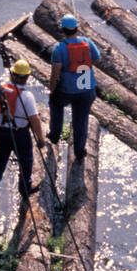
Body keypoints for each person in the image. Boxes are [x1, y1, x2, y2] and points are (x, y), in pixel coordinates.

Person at [0, 59, 47, 216]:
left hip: (0, 132)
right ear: (27, 77)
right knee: (25, 162)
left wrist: (3, 114)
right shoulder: (27, 96)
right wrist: (41, 139)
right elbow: (34, 119)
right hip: (19, 134)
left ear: (12, 75)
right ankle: (25, 190)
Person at [47, 14, 101, 162]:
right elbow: (97, 59)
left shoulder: (60, 47)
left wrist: (52, 89)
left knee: (56, 104)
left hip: (67, 90)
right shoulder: (87, 42)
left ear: (63, 30)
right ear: (77, 28)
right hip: (87, 91)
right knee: (81, 120)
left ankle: (54, 135)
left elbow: (55, 72)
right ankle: (79, 152)